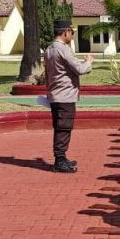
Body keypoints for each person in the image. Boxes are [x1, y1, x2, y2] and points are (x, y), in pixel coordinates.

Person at [43, 19, 94, 172]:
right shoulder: (63, 49)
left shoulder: (50, 48)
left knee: (61, 127)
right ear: (65, 31)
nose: (71, 35)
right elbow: (79, 69)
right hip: (64, 95)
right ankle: (59, 161)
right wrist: (89, 62)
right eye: (71, 32)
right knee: (63, 128)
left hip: (56, 94)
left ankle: (62, 157)